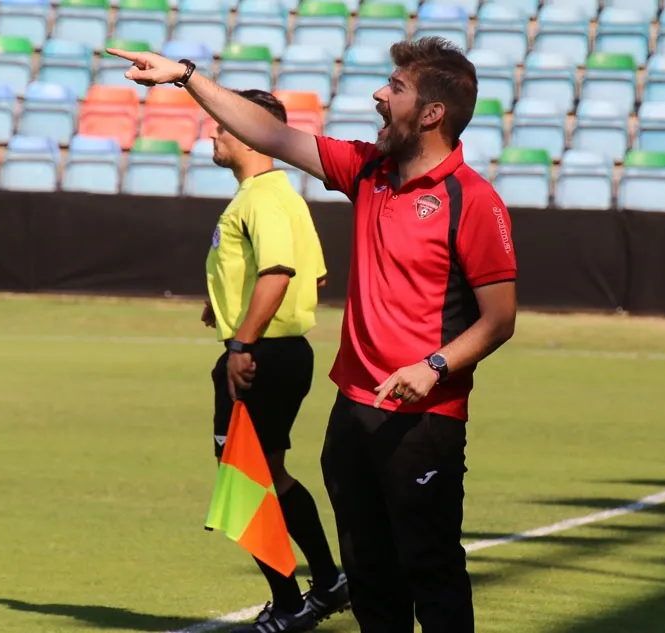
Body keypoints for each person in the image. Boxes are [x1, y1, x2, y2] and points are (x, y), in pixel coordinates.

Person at [109, 36, 518, 633]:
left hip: (425, 420)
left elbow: (499, 319)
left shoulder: (474, 201)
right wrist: (186, 77)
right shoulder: (367, 169)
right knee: (371, 574)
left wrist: (431, 367)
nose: (379, 93)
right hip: (351, 414)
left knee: (431, 572)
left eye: (396, 88)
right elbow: (270, 134)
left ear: (432, 114)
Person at [200, 89, 349, 633]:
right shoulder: (286, 195)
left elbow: (279, 272)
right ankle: (330, 581)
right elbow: (316, 276)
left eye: (218, 125)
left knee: (243, 481)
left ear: (244, 130)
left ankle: (289, 606)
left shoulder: (259, 198)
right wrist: (224, 305)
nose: (212, 134)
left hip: (258, 358)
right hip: (286, 353)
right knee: (273, 472)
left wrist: (241, 342)